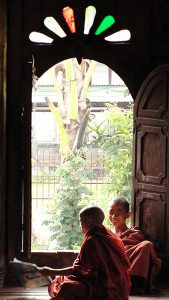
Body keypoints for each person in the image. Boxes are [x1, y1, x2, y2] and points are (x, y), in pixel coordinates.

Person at [37, 205, 131, 300]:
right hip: (121, 288)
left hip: (105, 289)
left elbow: (79, 271)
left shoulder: (92, 240)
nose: (80, 224)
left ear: (88, 221)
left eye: (80, 220)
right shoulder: (108, 234)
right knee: (60, 278)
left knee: (66, 287)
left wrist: (49, 271)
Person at [108, 196, 162, 295]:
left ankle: (134, 284)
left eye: (119, 212)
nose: (114, 216)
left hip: (130, 263)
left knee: (147, 245)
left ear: (128, 215)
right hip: (115, 265)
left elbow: (138, 253)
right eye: (111, 212)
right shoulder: (108, 235)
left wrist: (123, 249)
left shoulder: (134, 233)